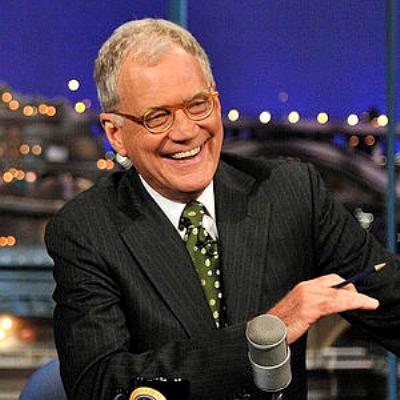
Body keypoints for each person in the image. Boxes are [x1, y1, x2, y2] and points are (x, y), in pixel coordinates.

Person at [45, 18, 400, 400]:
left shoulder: (291, 192)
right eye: (157, 117)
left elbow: (391, 302)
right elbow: (101, 386)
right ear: (115, 133)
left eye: (198, 105)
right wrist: (266, 335)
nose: (186, 131)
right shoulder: (86, 229)